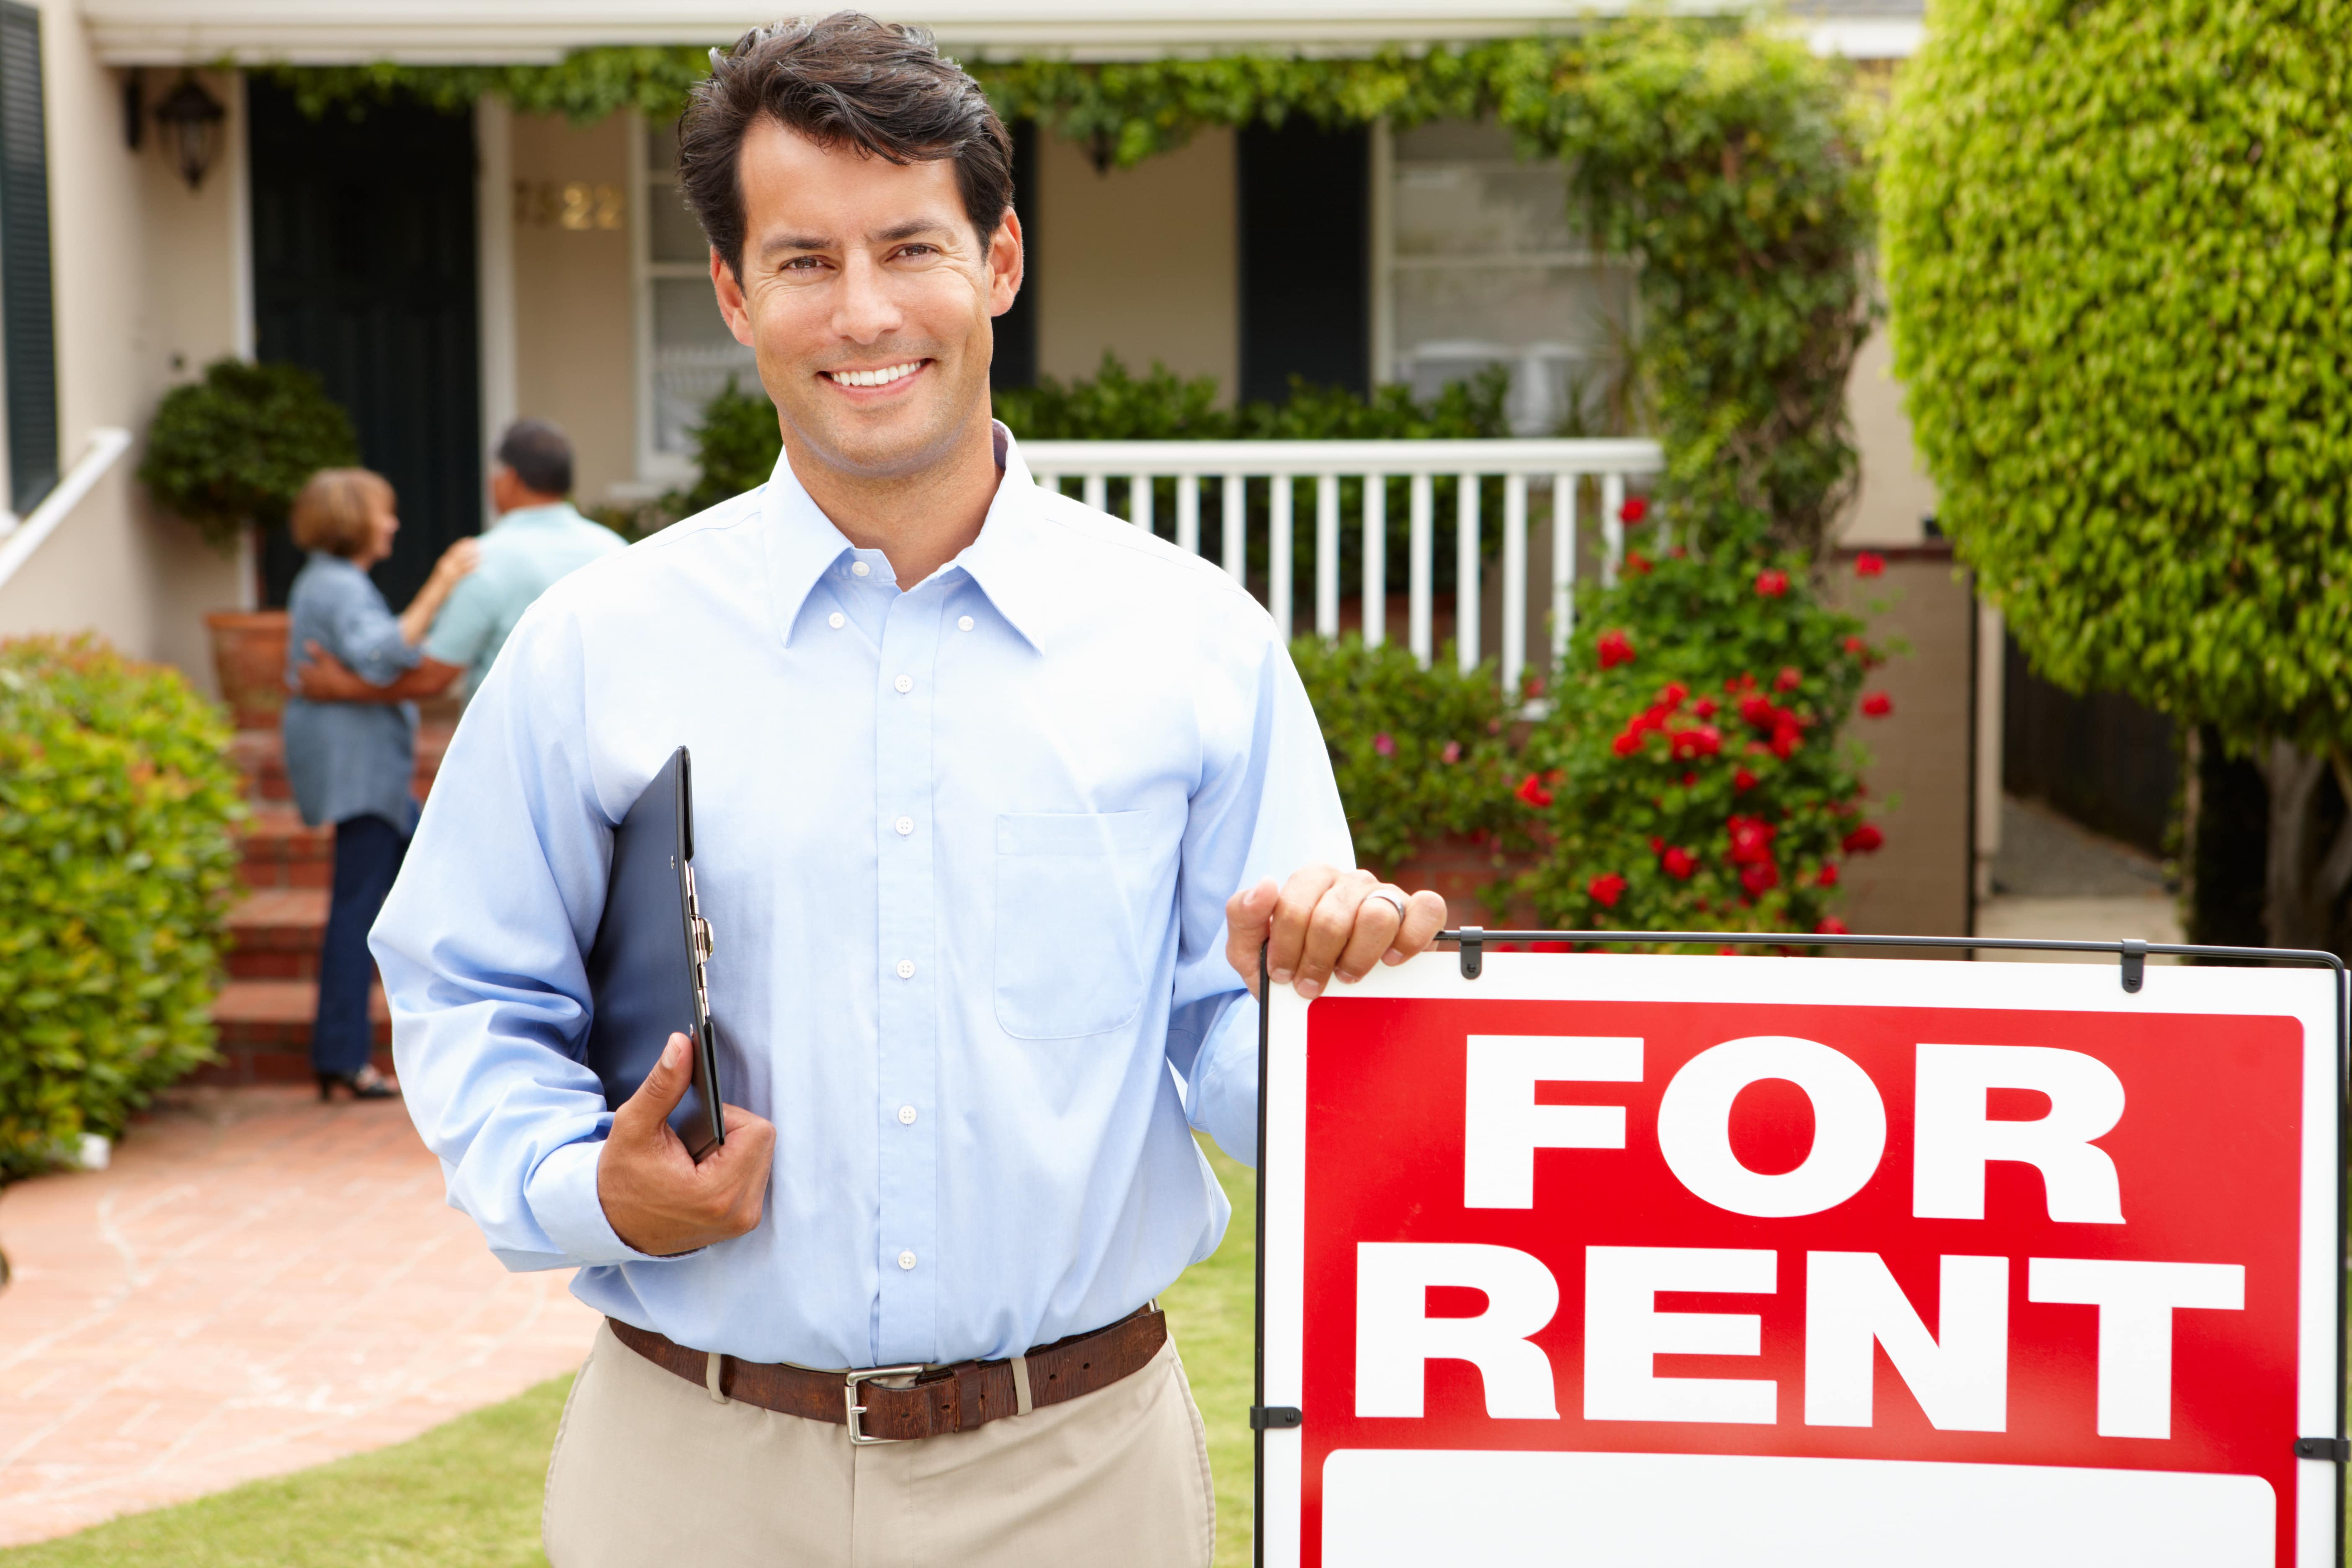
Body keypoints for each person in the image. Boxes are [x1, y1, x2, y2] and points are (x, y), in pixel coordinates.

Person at [368, 16, 1447, 1566]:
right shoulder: (595, 646)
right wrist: (580, 1187)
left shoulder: (1191, 641)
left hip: (1078, 1478)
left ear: (999, 259)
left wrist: (1335, 1002)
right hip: (691, 1465)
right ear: (733, 294)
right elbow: (470, 982)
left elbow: (1231, 1041)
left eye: (910, 246)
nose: (864, 310)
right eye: (802, 260)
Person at [279, 468, 477, 1101]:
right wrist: (444, 582)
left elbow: (375, 659)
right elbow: (382, 653)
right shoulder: (337, 585)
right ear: (354, 521)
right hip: (361, 773)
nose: (393, 524)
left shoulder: (331, 582)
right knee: (359, 910)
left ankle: (361, 1051)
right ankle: (340, 1054)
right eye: (383, 514)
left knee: (418, 891)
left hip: (371, 775)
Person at [294, 419, 624, 706]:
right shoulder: (616, 551)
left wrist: (345, 688)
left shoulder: (480, 558)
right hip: (599, 741)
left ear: (508, 479)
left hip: (514, 751)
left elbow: (434, 676)